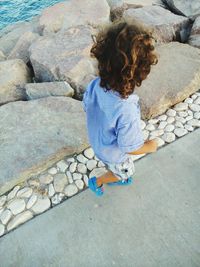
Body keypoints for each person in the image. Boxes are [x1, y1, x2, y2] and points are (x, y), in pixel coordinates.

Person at [83, 19, 158, 196]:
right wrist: (151, 146)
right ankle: (99, 181)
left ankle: (113, 172)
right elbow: (129, 147)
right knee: (124, 173)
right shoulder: (126, 109)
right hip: (113, 154)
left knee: (112, 164)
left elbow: (87, 104)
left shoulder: (96, 84)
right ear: (142, 71)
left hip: (97, 140)